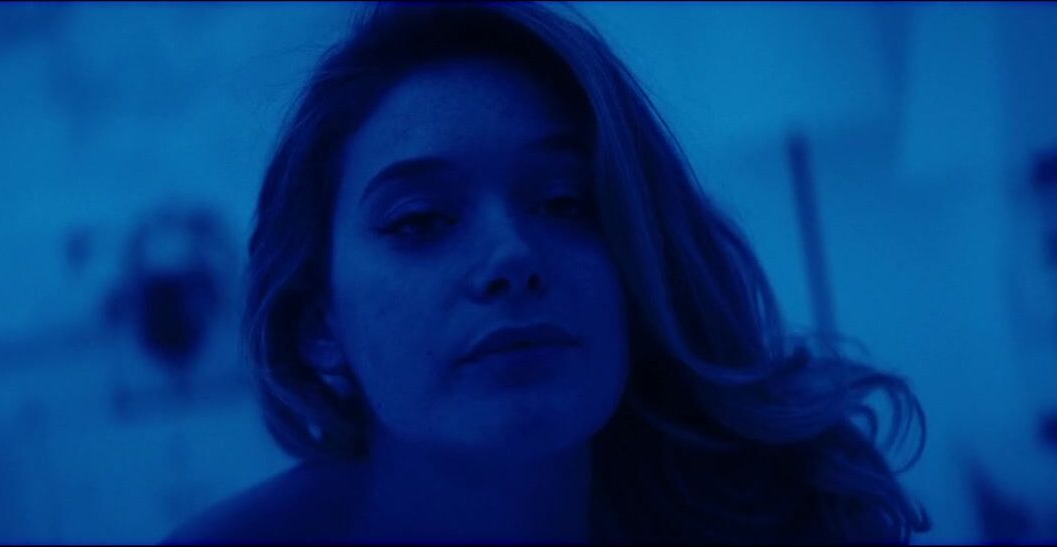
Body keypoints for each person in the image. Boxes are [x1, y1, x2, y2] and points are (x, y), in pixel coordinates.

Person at [163, 2, 930, 544]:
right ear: (317, 322)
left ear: (634, 265)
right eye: (420, 220)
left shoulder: (784, 519)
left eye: (566, 203)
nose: (512, 257)